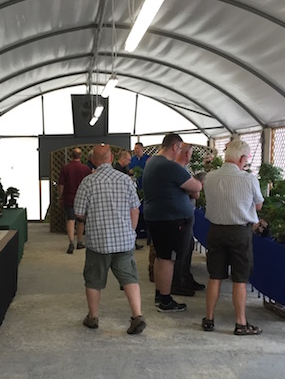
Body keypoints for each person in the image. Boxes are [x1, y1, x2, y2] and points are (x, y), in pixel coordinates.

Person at [73, 143, 146, 335]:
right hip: (124, 241)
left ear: (92, 160)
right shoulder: (125, 180)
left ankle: (93, 317)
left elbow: (79, 212)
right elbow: (135, 209)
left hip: (98, 242)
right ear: (111, 158)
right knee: (129, 278)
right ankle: (137, 315)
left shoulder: (88, 182)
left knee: (93, 280)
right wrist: (130, 232)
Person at [202, 138, 264, 335]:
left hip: (215, 230)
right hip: (239, 232)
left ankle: (209, 319)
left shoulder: (210, 177)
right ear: (242, 158)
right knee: (239, 278)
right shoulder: (249, 179)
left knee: (215, 276)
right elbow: (258, 205)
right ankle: (240, 323)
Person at [142, 133, 202, 312]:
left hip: (157, 216)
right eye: (180, 148)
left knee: (161, 257)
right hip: (170, 219)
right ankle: (166, 300)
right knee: (168, 259)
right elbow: (196, 187)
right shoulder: (169, 166)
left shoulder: (153, 162)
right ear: (175, 147)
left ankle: (160, 293)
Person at [171, 142, 206, 296]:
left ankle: (185, 277)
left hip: (184, 214)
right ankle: (178, 283)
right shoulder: (179, 170)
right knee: (182, 250)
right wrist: (196, 185)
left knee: (188, 247)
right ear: (186, 153)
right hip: (181, 216)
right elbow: (195, 192)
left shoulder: (181, 169)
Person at [58, 147, 91, 254]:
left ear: (71, 155)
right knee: (80, 220)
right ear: (81, 156)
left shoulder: (65, 168)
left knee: (70, 219)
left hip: (69, 197)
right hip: (82, 198)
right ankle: (80, 241)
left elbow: (61, 185)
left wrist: (60, 197)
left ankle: (71, 242)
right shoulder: (85, 169)